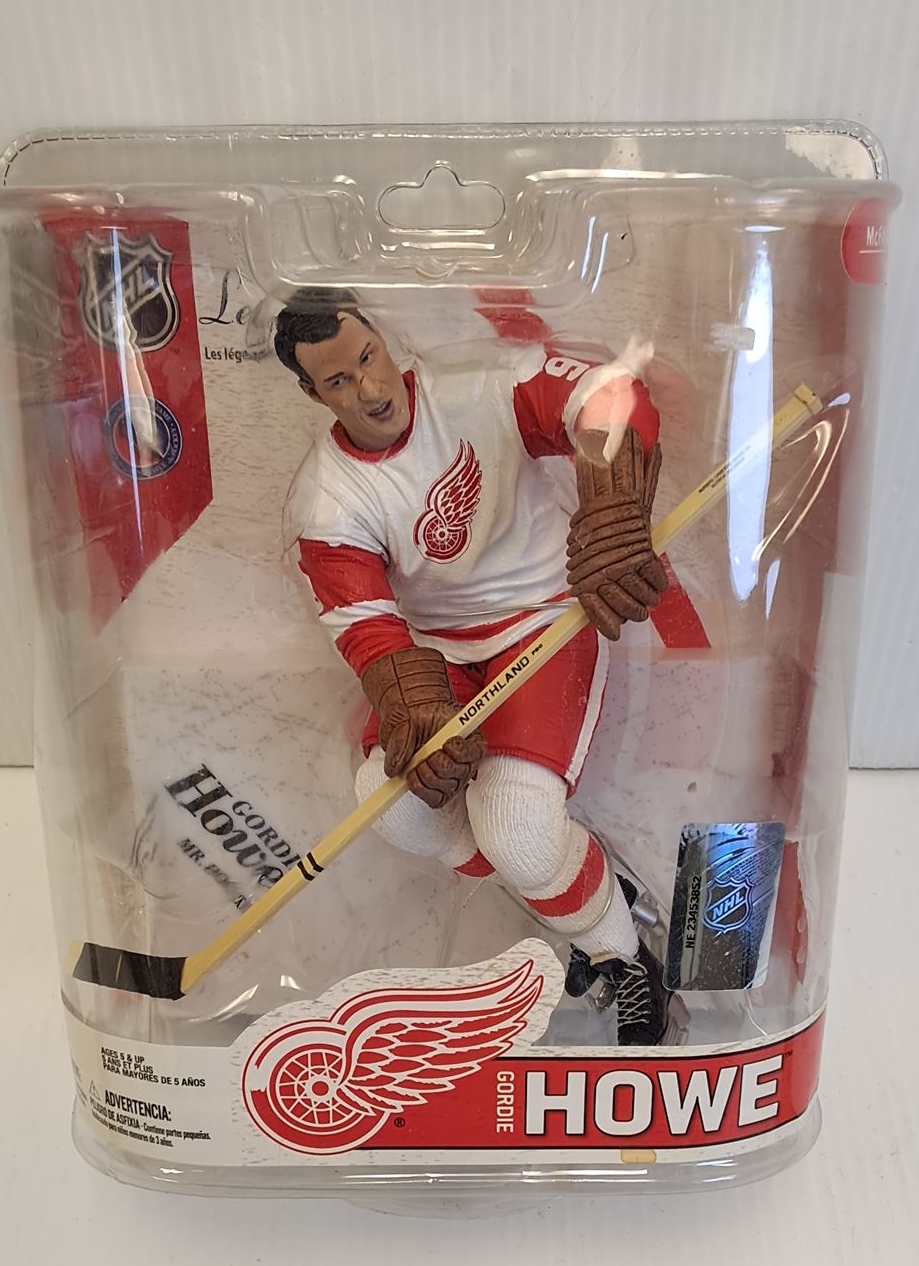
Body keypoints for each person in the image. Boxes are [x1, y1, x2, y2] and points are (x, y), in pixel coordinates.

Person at [275, 287, 674, 1044]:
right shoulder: (326, 497)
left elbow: (603, 390)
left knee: (518, 832)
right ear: (312, 394)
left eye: (368, 358)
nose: (369, 388)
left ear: (384, 340)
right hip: (439, 649)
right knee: (392, 805)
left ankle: (622, 955)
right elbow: (367, 625)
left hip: (542, 623)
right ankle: (579, 893)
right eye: (338, 380)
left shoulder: (476, 386)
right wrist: (409, 702)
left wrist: (613, 500)